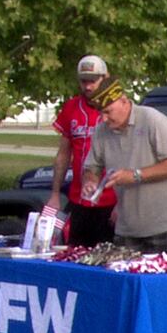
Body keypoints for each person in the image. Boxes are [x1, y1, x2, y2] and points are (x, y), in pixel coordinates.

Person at [80, 76, 167, 256]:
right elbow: (92, 166)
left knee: (162, 282)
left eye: (108, 111)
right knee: (126, 281)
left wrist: (135, 175)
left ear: (124, 101)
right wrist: (89, 182)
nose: (104, 118)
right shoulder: (101, 131)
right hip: (127, 226)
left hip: (164, 222)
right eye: (101, 112)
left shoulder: (152, 120)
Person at [46, 55, 117, 246]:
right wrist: (54, 193)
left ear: (105, 78)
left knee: (106, 258)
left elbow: (130, 155)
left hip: (110, 200)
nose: (88, 86)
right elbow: (63, 153)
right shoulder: (71, 107)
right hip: (79, 198)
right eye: (84, 81)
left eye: (93, 81)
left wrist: (123, 203)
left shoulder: (115, 109)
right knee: (76, 253)